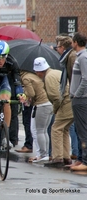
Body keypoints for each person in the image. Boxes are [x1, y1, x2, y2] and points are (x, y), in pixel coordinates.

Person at [32, 57, 73, 167]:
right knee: (64, 129)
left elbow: (56, 97)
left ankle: (58, 158)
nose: (36, 74)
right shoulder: (56, 72)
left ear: (40, 71)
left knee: (56, 129)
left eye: (36, 71)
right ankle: (66, 157)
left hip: (66, 103)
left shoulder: (49, 77)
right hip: (72, 101)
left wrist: (55, 110)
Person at [55, 35, 80, 164]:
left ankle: (77, 158)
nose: (56, 49)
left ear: (63, 47)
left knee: (69, 128)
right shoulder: (69, 57)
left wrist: (75, 94)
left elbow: (77, 78)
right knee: (69, 128)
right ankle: (67, 156)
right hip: (74, 95)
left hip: (76, 96)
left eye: (57, 47)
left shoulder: (71, 56)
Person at [69, 33, 87, 171]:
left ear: (76, 42)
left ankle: (85, 161)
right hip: (78, 98)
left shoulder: (83, 57)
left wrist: (77, 95)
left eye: (72, 42)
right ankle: (80, 159)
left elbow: (85, 79)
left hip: (81, 99)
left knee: (83, 130)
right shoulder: (80, 57)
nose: (71, 44)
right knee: (77, 128)